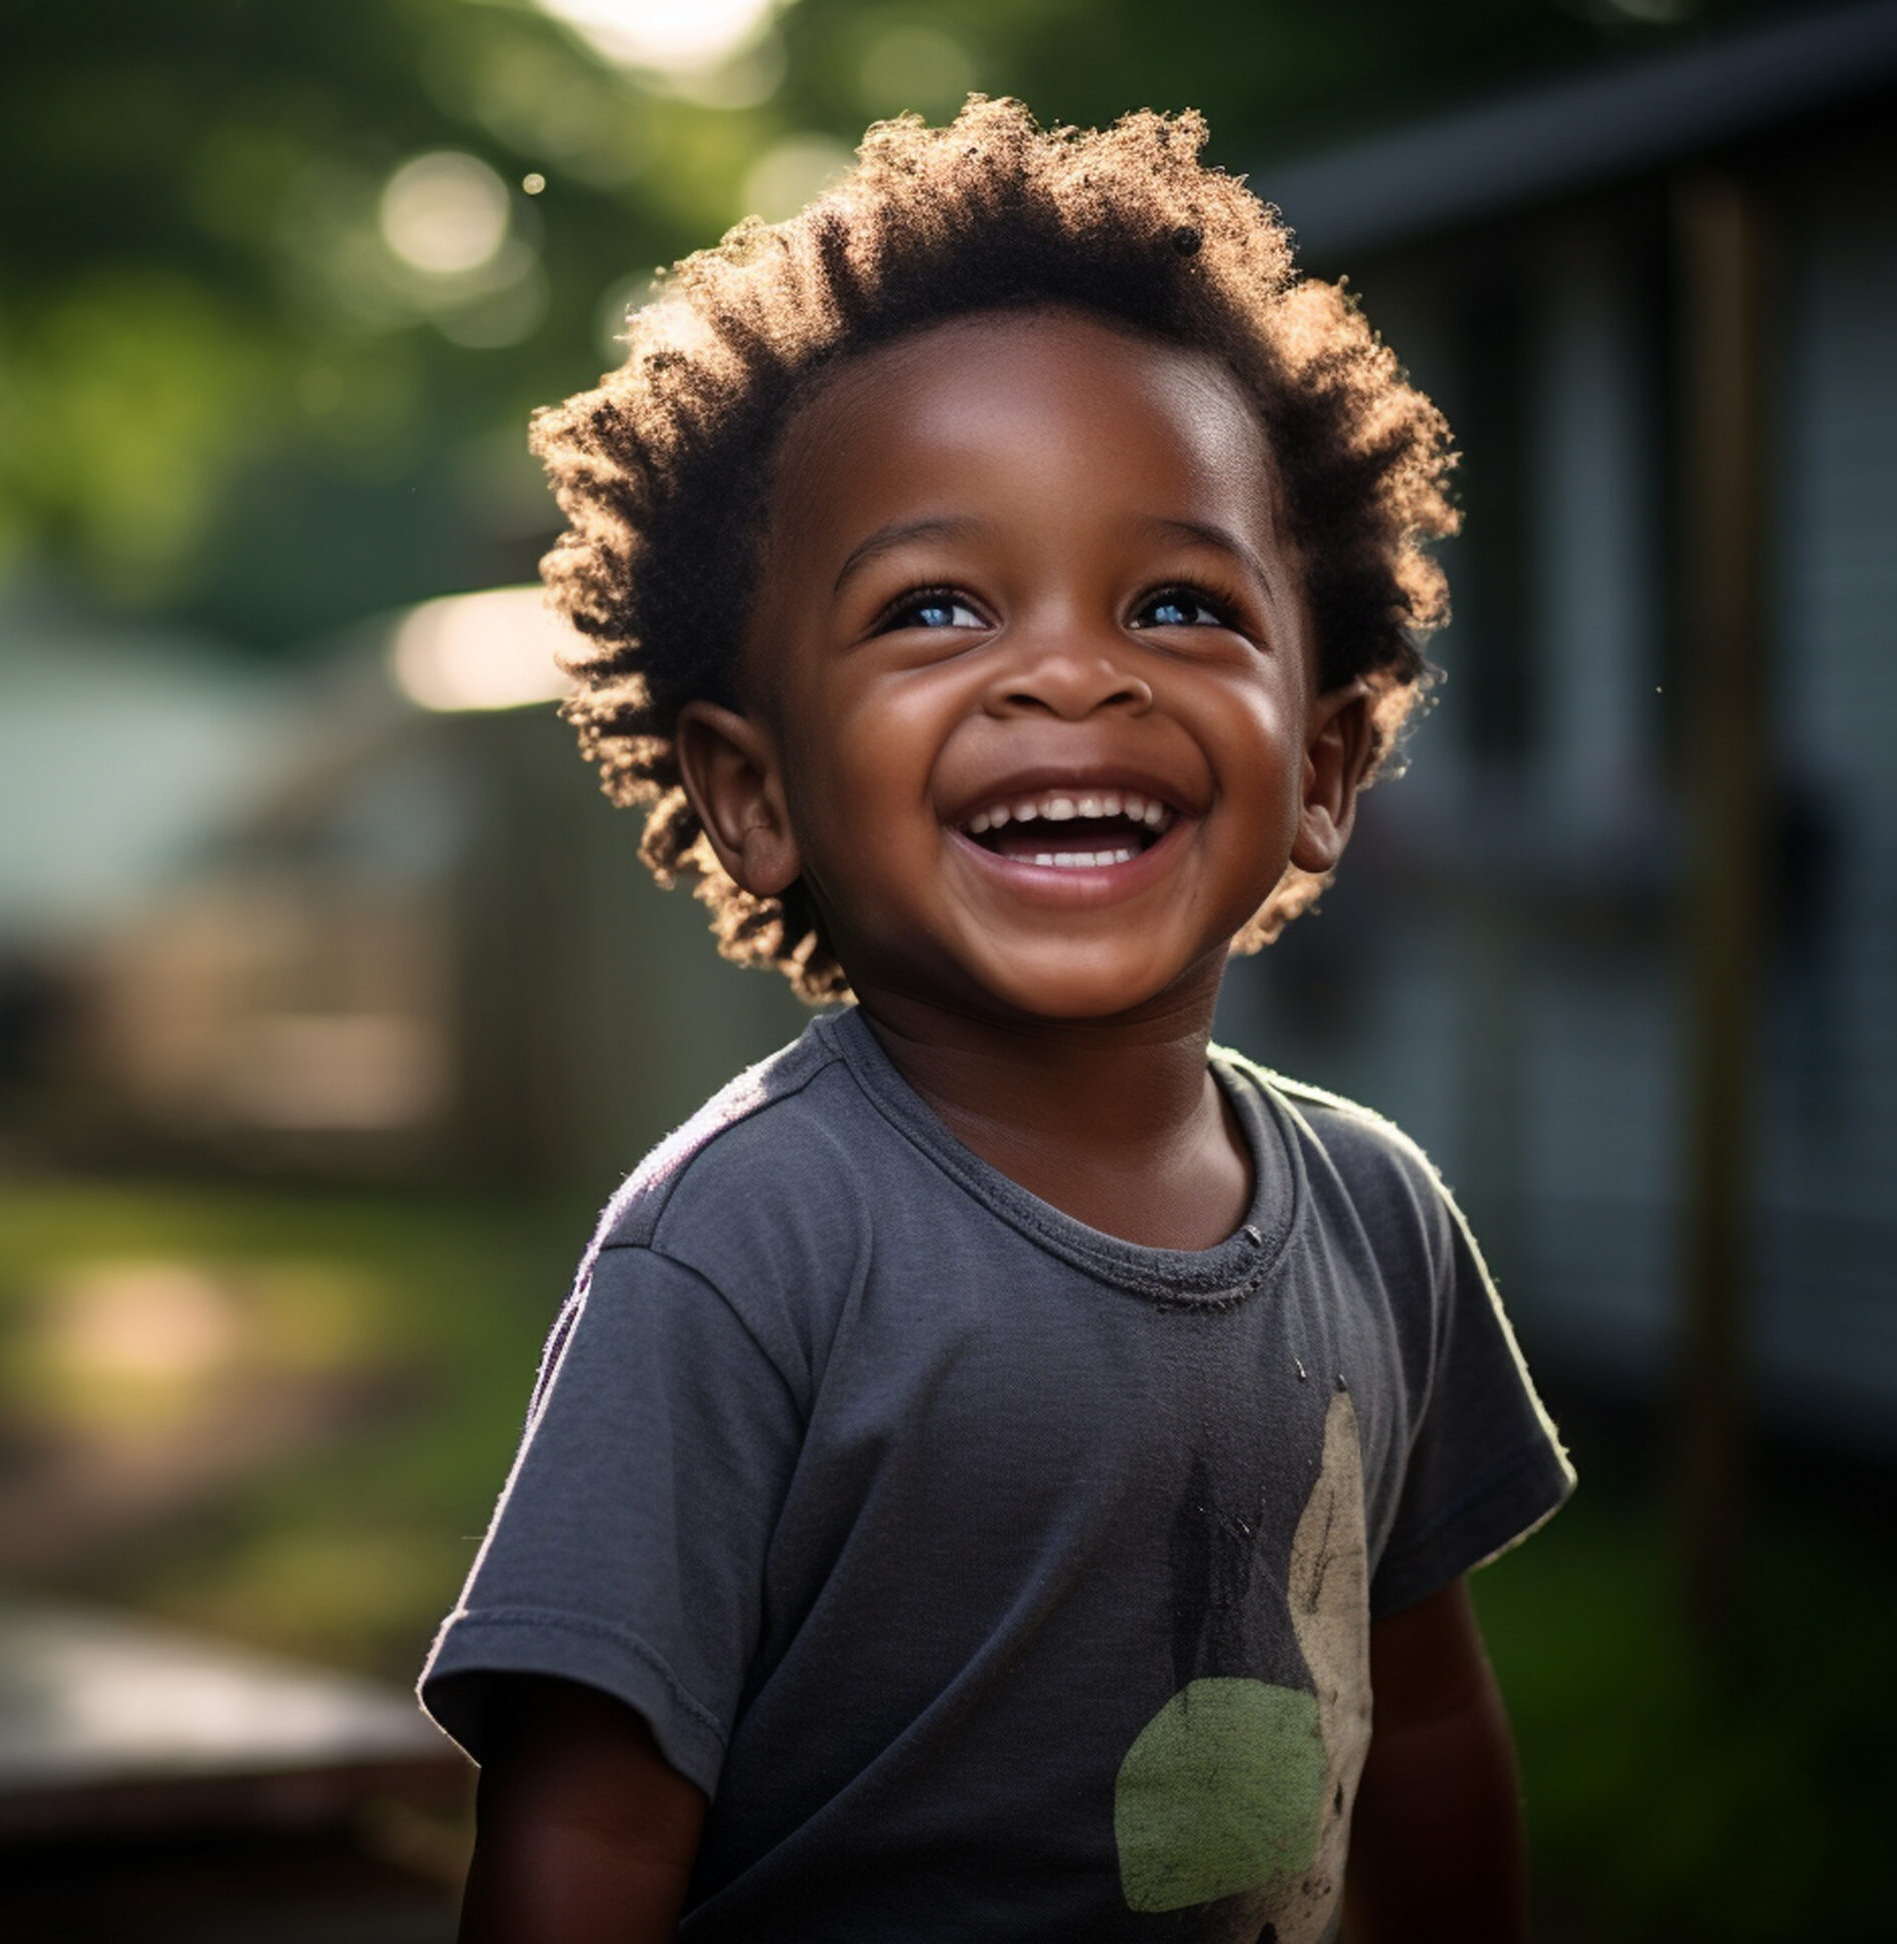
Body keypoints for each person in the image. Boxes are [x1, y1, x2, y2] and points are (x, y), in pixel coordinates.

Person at [419, 100, 1573, 1943]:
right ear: (753, 791)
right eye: (937, 606)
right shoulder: (743, 1251)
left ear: (1327, 765)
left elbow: (1426, 1719)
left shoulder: (1380, 1220)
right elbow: (591, 1837)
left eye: (1178, 602)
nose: (1070, 672)